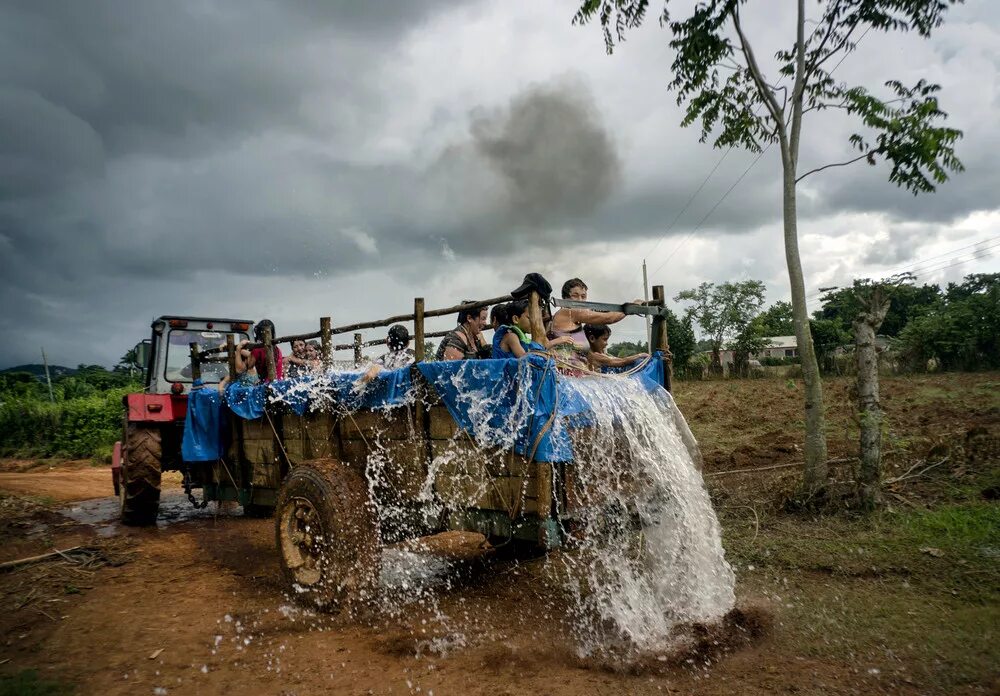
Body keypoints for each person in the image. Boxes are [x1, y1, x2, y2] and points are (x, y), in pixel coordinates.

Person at [549, 279, 629, 354]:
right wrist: (630, 308)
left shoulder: (572, 316)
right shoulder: (568, 312)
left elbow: (603, 314)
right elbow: (609, 318)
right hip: (566, 367)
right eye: (575, 296)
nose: (580, 300)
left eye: (583, 296)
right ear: (565, 298)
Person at [493, 299, 575, 359]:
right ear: (516, 319)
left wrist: (548, 352)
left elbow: (536, 349)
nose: (533, 322)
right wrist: (544, 354)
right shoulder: (511, 337)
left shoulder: (522, 338)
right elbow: (524, 357)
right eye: (529, 318)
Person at [584, 324, 648, 369]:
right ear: (592, 338)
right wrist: (640, 355)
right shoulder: (594, 356)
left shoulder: (585, 354)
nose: (607, 344)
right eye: (605, 339)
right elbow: (621, 361)